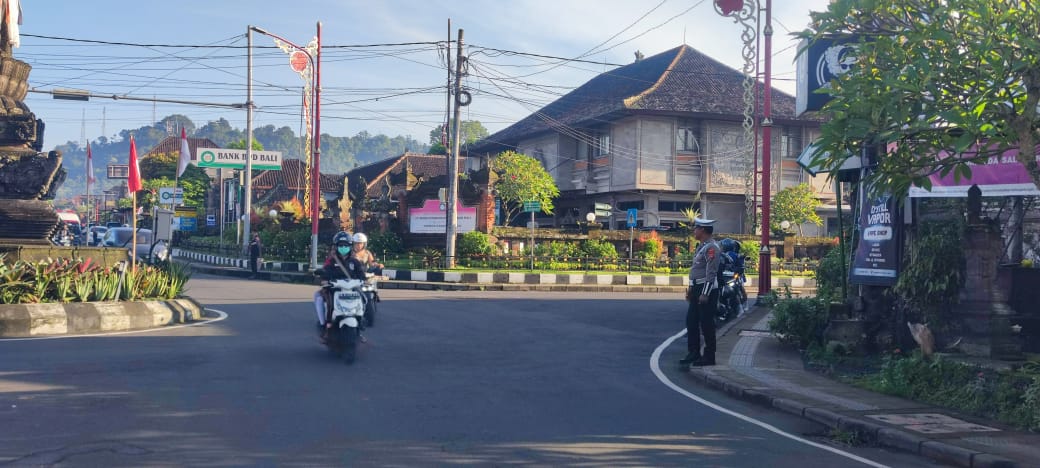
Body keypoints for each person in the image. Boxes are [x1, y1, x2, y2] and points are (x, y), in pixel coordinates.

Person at [681, 217, 721, 367]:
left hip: (707, 290)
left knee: (706, 324)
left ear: (702, 230)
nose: (694, 231)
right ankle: (694, 352)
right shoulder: (702, 247)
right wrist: (691, 289)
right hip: (697, 288)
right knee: (691, 321)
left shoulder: (712, 248)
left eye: (696, 228)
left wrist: (705, 293)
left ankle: (709, 356)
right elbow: (696, 271)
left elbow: (711, 273)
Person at [313, 231, 366, 341]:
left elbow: (361, 274)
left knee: (364, 299)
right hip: (335, 289)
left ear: (350, 246)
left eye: (346, 245)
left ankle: (360, 322)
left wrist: (362, 280)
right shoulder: (331, 261)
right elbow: (325, 272)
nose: (343, 248)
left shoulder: (355, 262)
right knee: (325, 301)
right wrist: (324, 280)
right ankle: (326, 325)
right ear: (336, 247)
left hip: (351, 289)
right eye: (341, 245)